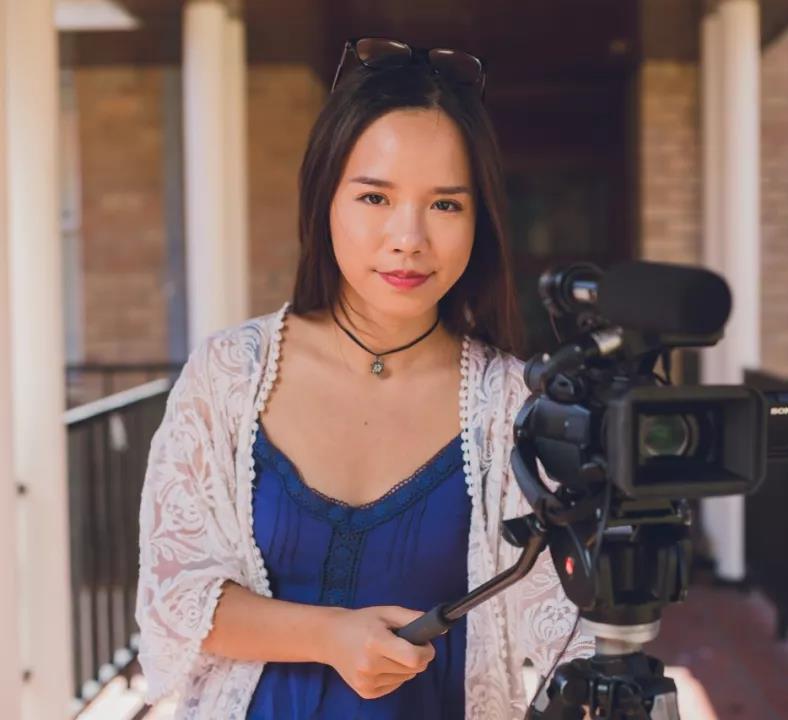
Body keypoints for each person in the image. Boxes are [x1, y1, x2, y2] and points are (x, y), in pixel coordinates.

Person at [135, 37, 592, 720]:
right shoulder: (230, 374)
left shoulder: (510, 404)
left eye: (445, 205)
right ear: (325, 198)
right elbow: (175, 595)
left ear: (481, 220)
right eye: (375, 196)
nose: (408, 238)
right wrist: (329, 636)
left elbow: (569, 632)